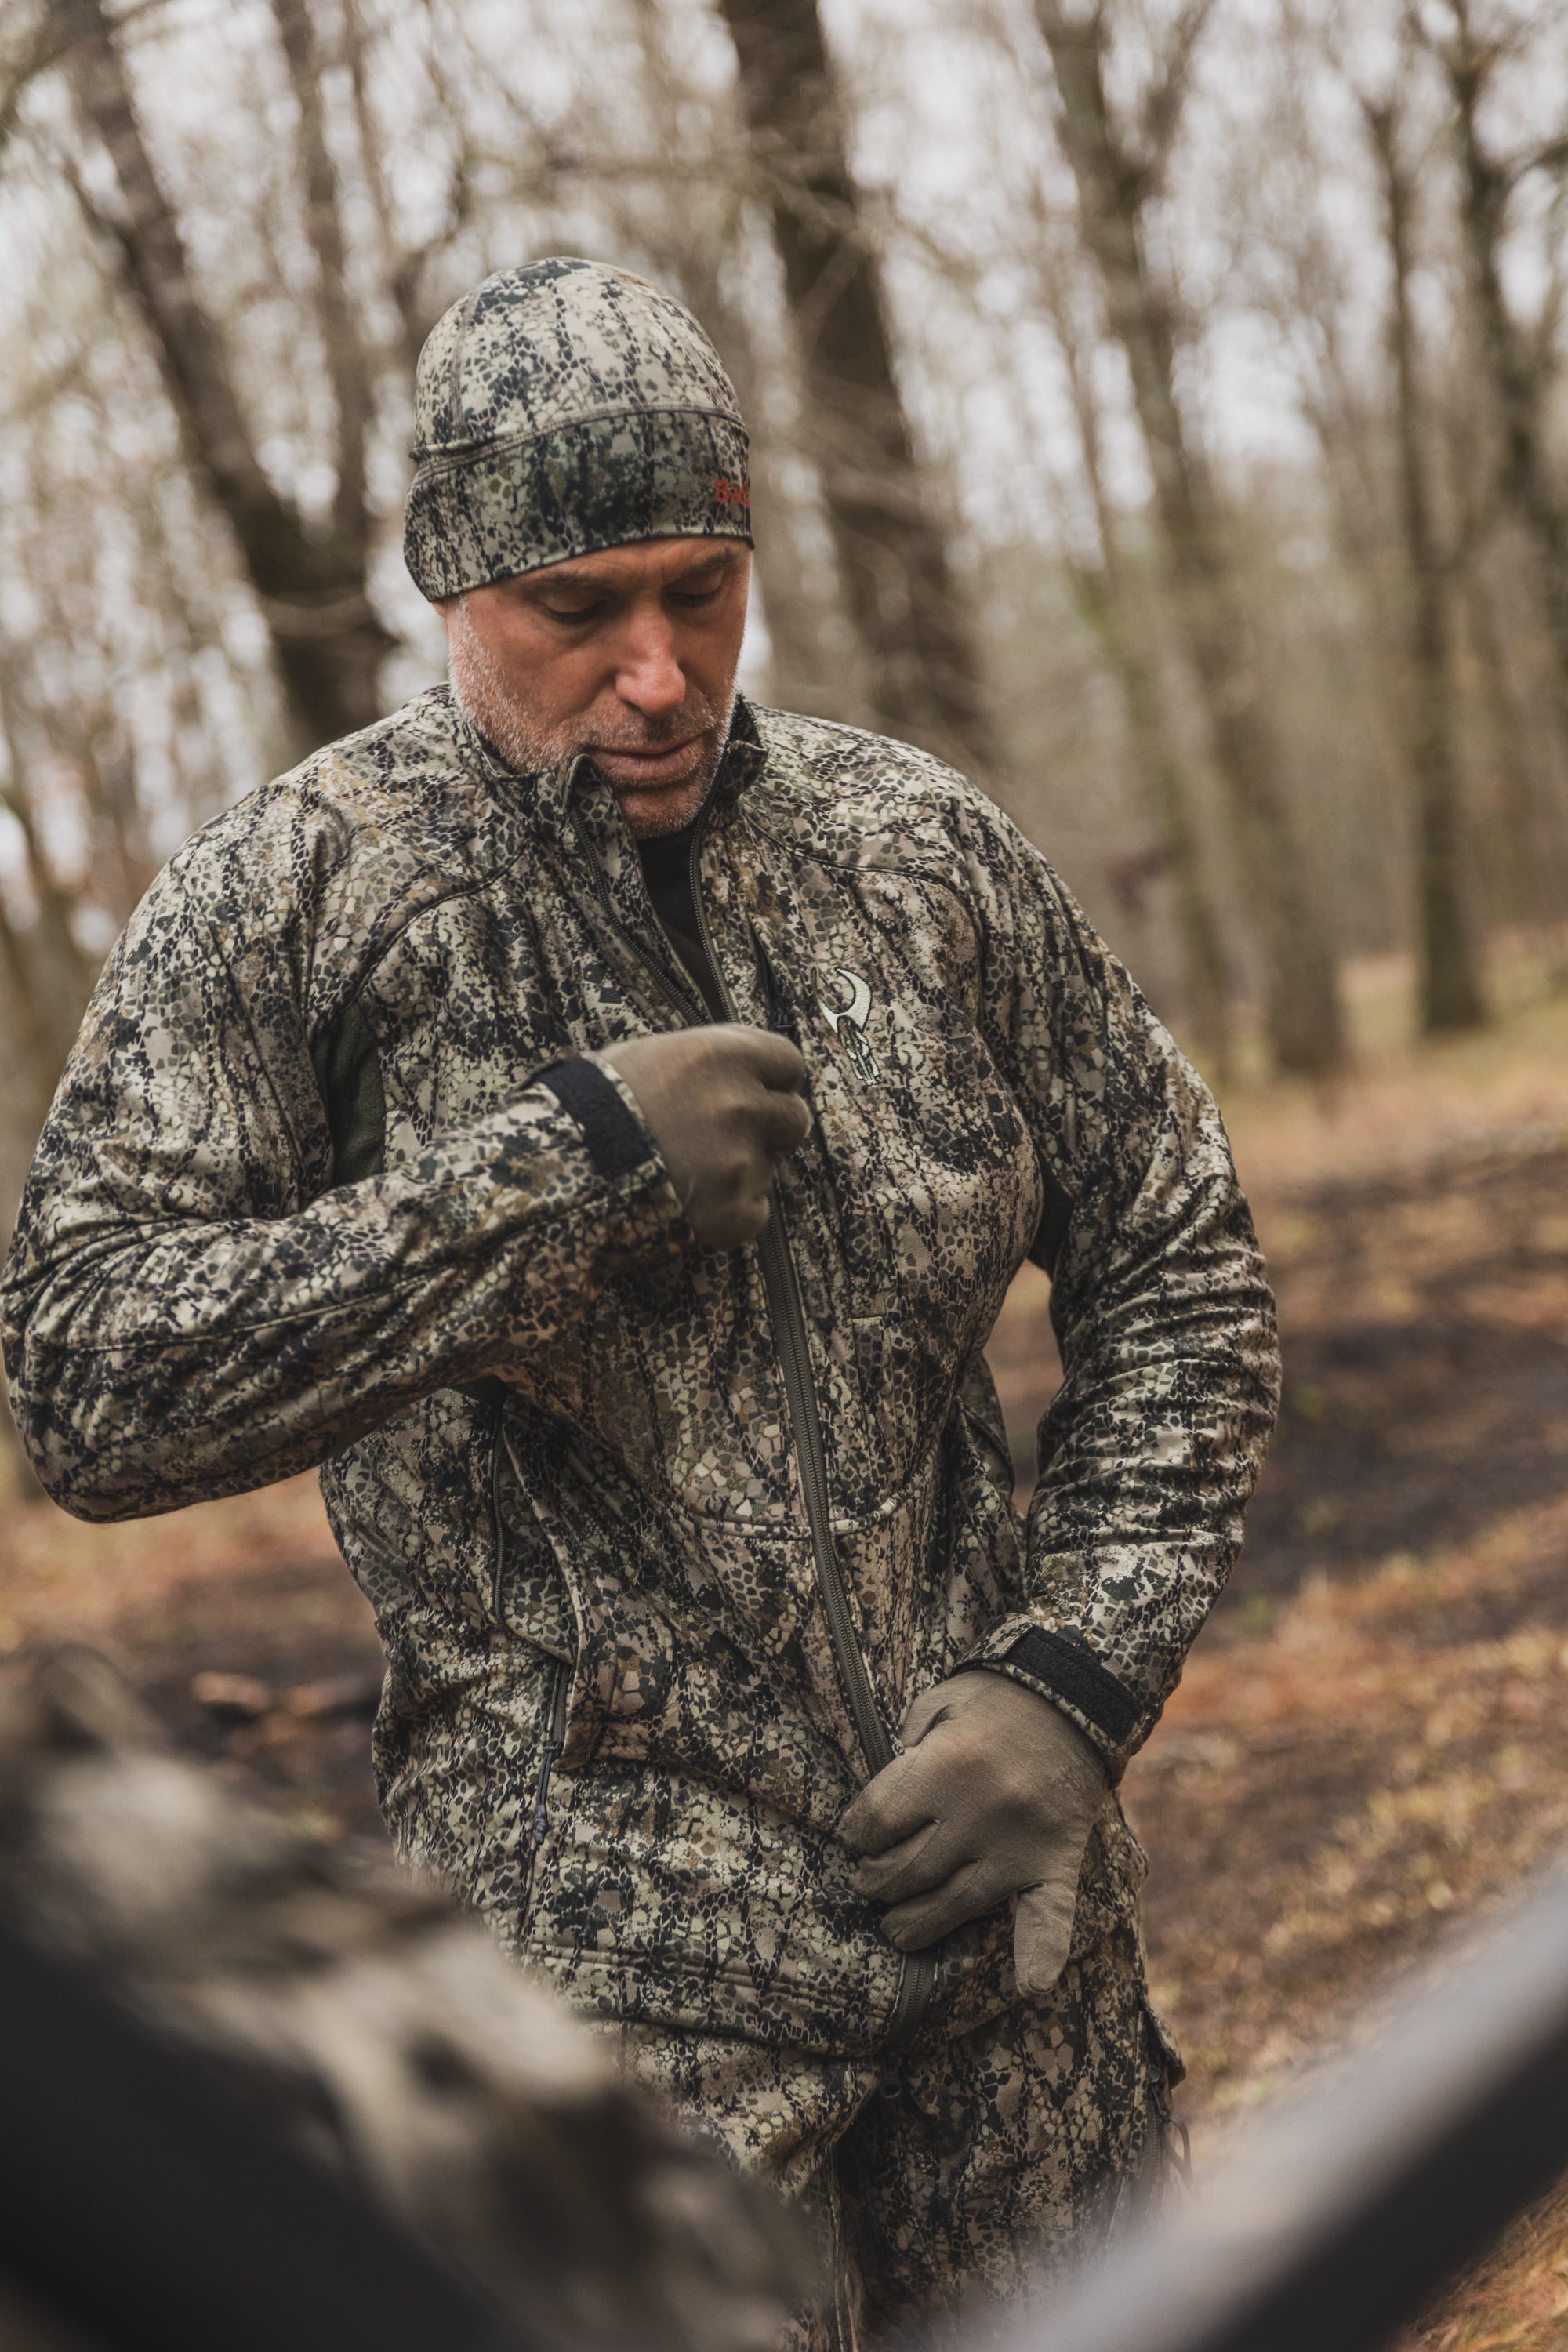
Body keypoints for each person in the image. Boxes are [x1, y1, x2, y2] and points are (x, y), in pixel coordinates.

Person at [1, 259, 1279, 2347]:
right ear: (447, 584)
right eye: (577, 611)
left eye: (702, 588)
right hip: (622, 2036)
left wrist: (1074, 1682)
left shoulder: (916, 851)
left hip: (1013, 1983)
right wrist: (552, 1181)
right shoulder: (291, 909)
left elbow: (1181, 1258)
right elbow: (83, 1379)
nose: (660, 673)